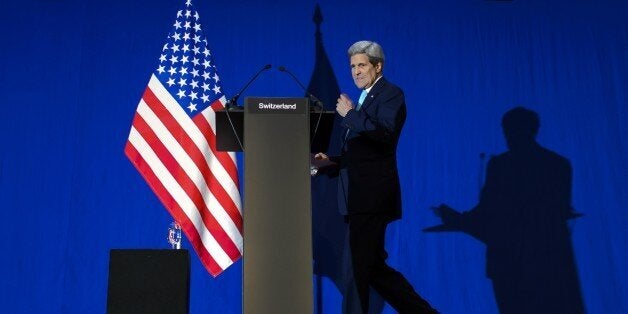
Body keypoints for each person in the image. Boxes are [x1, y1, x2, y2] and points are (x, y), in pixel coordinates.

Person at [313, 40, 438, 314]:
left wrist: (350, 115)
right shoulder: (364, 98)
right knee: (372, 268)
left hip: (372, 196)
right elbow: (361, 153)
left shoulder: (391, 94)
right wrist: (330, 162)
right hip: (357, 196)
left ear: (377, 66)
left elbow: (384, 136)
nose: (356, 72)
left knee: (359, 268)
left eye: (361, 65)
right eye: (352, 66)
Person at [433, 107, 585, 314]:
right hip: (552, 262)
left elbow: (489, 215)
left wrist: (456, 218)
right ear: (535, 129)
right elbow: (558, 212)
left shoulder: (501, 166)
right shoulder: (559, 165)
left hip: (510, 264)